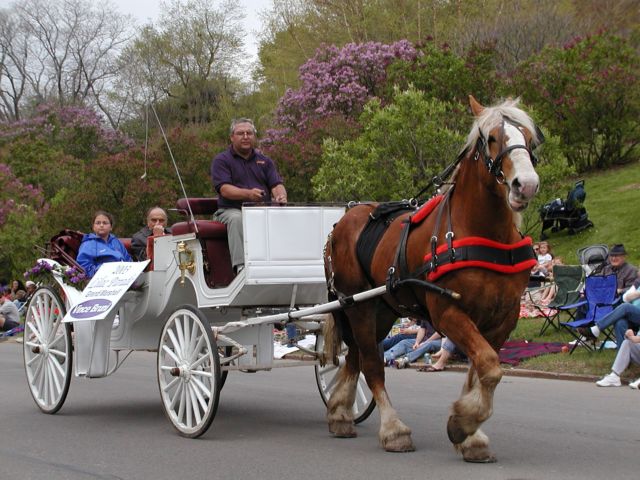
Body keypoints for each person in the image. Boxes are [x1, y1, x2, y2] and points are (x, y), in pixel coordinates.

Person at [211, 118, 287, 274]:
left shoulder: (265, 161)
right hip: (230, 210)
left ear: (254, 137)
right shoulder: (221, 160)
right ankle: (241, 268)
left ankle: (284, 264)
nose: (245, 136)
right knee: (237, 218)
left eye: (249, 133)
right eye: (240, 133)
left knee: (286, 215)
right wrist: (248, 194)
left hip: (262, 210)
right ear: (232, 137)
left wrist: (280, 196)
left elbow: (276, 184)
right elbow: (224, 189)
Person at [579, 276, 640, 348]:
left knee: (626, 307)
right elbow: (625, 298)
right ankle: (622, 353)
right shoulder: (638, 282)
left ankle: (597, 328)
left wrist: (634, 295)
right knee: (620, 322)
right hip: (632, 315)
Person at [76, 211, 132, 278]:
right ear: (93, 227)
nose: (101, 225)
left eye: (105, 223)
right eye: (98, 223)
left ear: (111, 227)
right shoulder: (87, 244)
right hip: (102, 279)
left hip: (123, 276)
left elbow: (128, 260)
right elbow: (83, 266)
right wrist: (101, 270)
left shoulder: (116, 242)